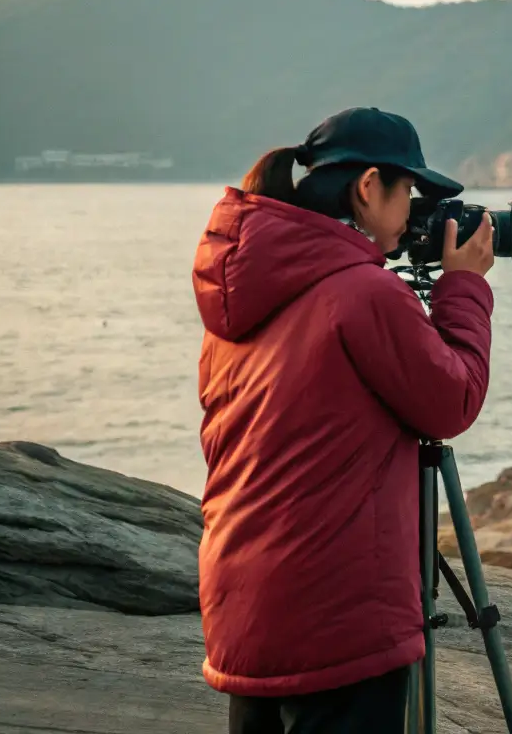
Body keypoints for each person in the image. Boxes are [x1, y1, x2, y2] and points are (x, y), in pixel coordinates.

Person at [195, 107, 496, 731]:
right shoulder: (363, 292)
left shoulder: (239, 291)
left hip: (243, 602)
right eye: (407, 192)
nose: (413, 212)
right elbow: (452, 401)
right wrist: (463, 287)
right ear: (367, 188)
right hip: (341, 619)